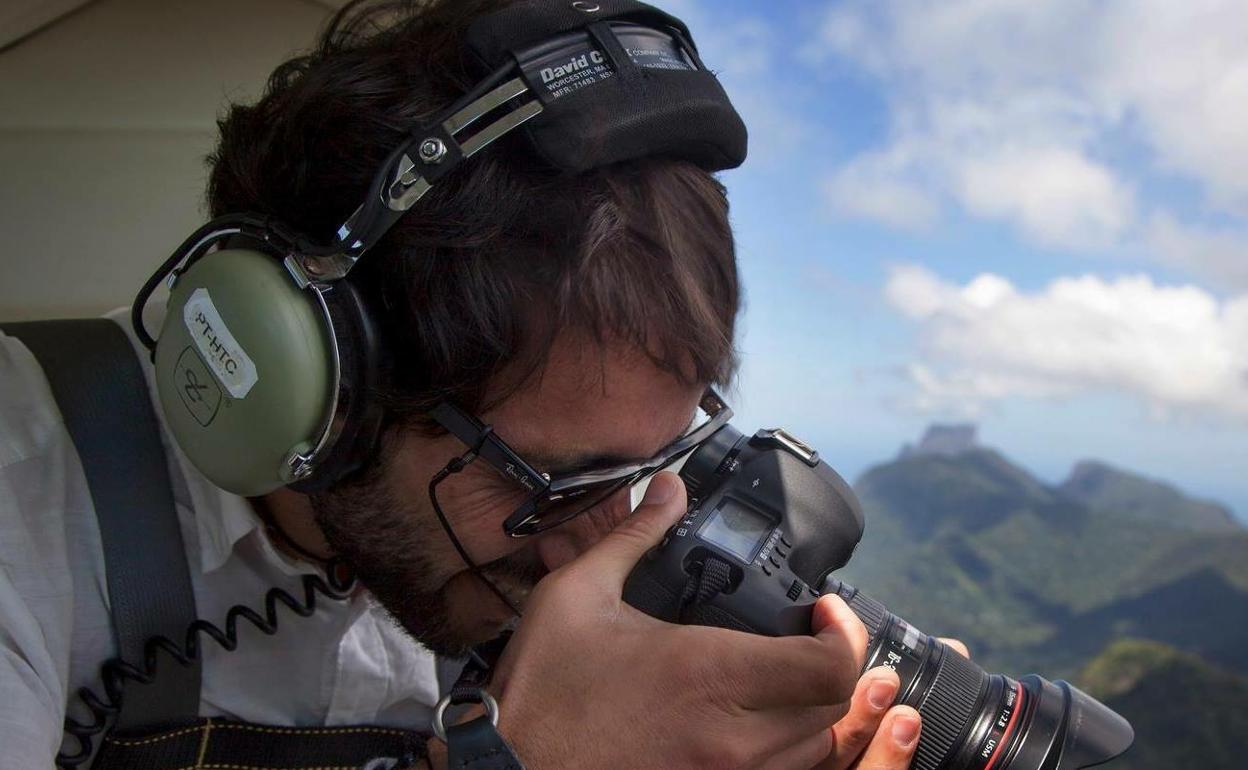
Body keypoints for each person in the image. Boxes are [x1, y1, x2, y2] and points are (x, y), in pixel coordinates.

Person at [0, 1, 941, 767]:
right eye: (543, 484)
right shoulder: (24, 503)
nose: (594, 552)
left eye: (653, 467)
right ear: (313, 385)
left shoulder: (529, 547)